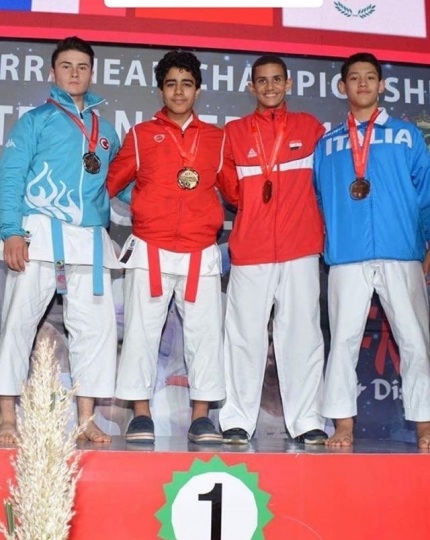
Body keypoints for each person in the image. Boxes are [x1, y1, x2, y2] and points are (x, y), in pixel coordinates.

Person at [106, 50, 238, 445]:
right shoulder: (141, 135)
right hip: (151, 247)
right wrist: (145, 203)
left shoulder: (217, 139)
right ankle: (140, 414)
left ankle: (201, 417)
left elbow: (235, 193)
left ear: (198, 90)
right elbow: (112, 182)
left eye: (186, 84)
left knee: (205, 337)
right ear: (161, 90)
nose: (179, 92)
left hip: (201, 251)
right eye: (171, 84)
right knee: (140, 334)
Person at [0, 36, 121, 444]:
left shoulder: (107, 132)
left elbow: (121, 185)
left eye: (82, 67)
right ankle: (6, 416)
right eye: (66, 66)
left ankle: (85, 419)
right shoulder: (35, 120)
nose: (74, 73)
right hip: (39, 233)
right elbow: (11, 176)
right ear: (52, 72)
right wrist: (11, 231)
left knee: (95, 329)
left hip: (89, 239)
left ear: (92, 73)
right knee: (17, 324)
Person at [313, 51, 430, 449]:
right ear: (342, 86)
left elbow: (426, 193)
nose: (362, 83)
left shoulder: (406, 135)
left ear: (382, 85)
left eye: (369, 77)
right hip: (347, 255)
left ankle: (425, 425)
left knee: (415, 341)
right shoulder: (327, 144)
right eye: (354, 78)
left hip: (401, 251)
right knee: (343, 342)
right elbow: (319, 199)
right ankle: (343, 425)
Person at [219, 54, 328, 445]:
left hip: (300, 247)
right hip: (251, 249)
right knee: (244, 336)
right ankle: (237, 420)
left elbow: (323, 184)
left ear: (288, 83)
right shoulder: (234, 133)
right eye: (262, 80)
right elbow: (231, 193)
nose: (269, 87)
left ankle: (307, 420)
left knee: (302, 335)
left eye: (276, 79)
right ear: (251, 86)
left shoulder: (310, 128)